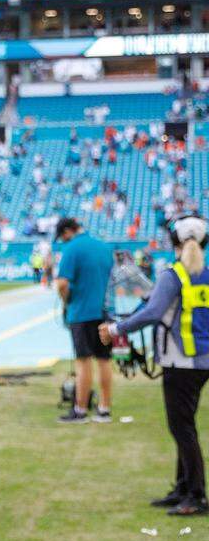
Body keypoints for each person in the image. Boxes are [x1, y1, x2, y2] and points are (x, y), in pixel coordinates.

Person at [100, 216, 209, 515]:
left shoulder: (173, 275)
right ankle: (184, 487)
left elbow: (152, 313)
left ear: (175, 242)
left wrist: (115, 330)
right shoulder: (205, 274)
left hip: (180, 360)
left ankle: (195, 494)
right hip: (200, 360)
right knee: (184, 425)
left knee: (182, 428)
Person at [54, 217, 114, 424]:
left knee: (83, 361)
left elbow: (62, 284)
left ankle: (80, 409)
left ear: (67, 232)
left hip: (81, 312)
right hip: (104, 311)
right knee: (104, 360)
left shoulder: (72, 249)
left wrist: (66, 301)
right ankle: (104, 409)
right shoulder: (104, 247)